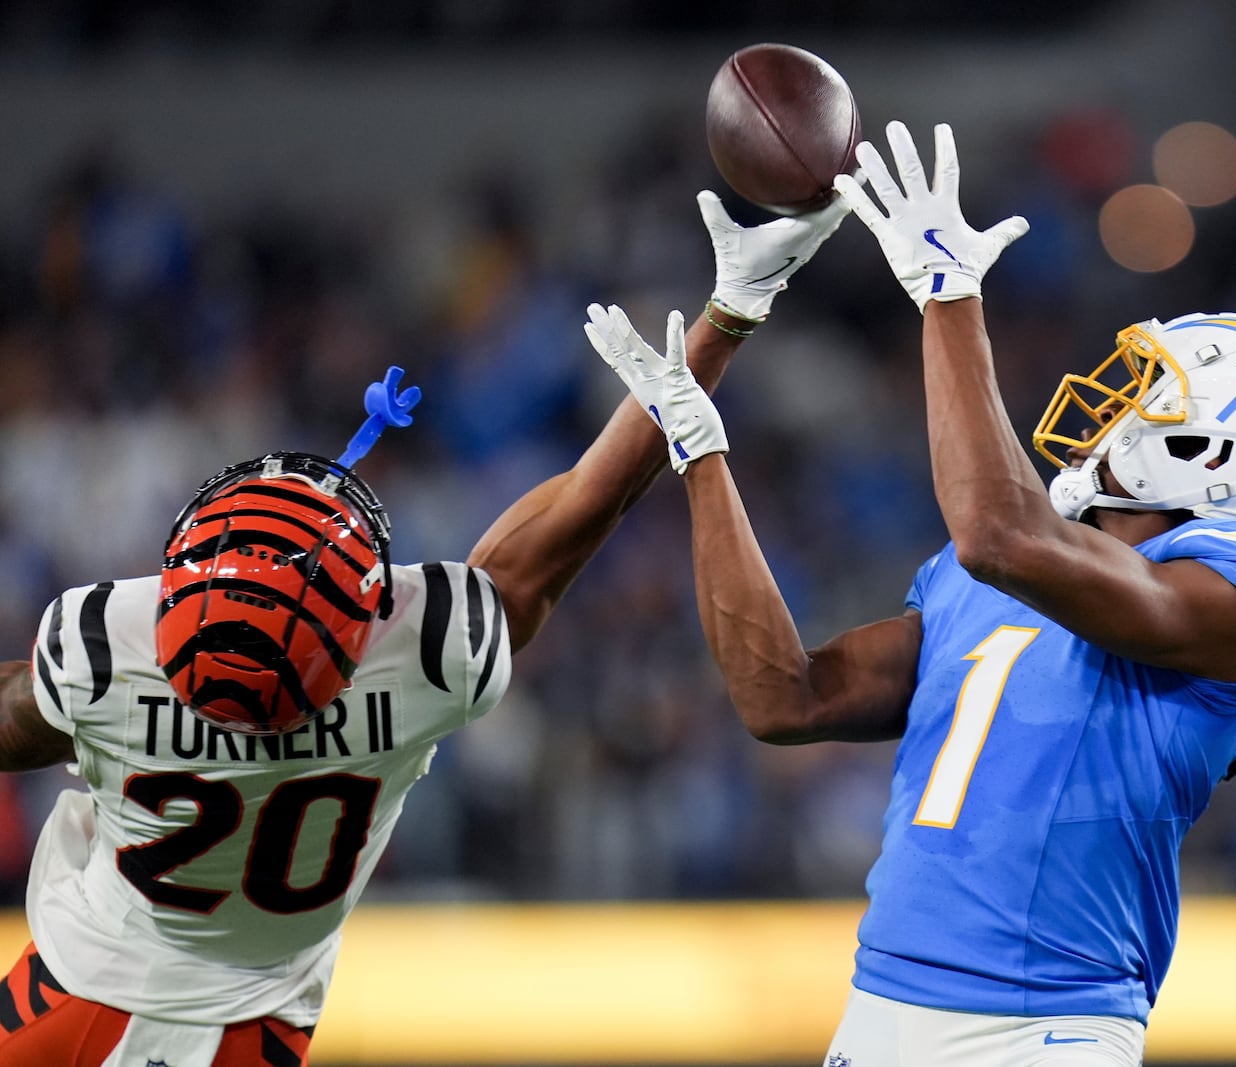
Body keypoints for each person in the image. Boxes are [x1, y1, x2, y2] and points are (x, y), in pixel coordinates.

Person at [0, 190, 849, 1067]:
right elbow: (588, 509)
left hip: (65, 1000)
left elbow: (13, 721)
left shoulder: (106, 641)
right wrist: (729, 316)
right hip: (250, 1036)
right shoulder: (420, 658)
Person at [590, 120, 1236, 1067]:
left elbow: (1002, 533)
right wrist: (704, 455)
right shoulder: (994, 566)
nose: (1116, 409)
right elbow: (782, 696)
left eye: (1154, 396)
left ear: (1220, 450)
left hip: (1040, 1030)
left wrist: (949, 294)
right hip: (877, 1009)